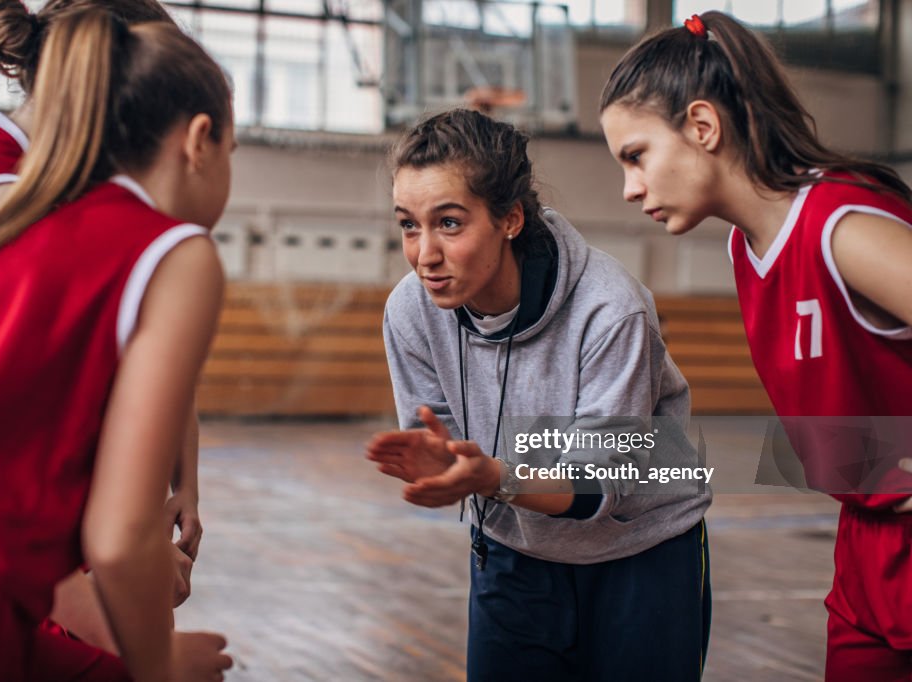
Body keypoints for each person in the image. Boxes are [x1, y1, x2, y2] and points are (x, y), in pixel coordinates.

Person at [0, 9, 235, 681]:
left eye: (441, 223)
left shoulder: (40, 207)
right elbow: (115, 534)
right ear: (199, 140)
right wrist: (153, 664)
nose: (424, 249)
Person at [599, 11, 912, 681]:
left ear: (703, 127)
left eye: (636, 156)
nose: (629, 188)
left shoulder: (841, 226)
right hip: (866, 550)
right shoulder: (749, 246)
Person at [366, 108, 712, 682]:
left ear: (510, 219)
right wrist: (446, 463)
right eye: (408, 224)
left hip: (642, 555)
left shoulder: (611, 309)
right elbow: (450, 444)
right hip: (513, 550)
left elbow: (598, 480)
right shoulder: (410, 310)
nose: (425, 253)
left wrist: (491, 476)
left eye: (449, 223)